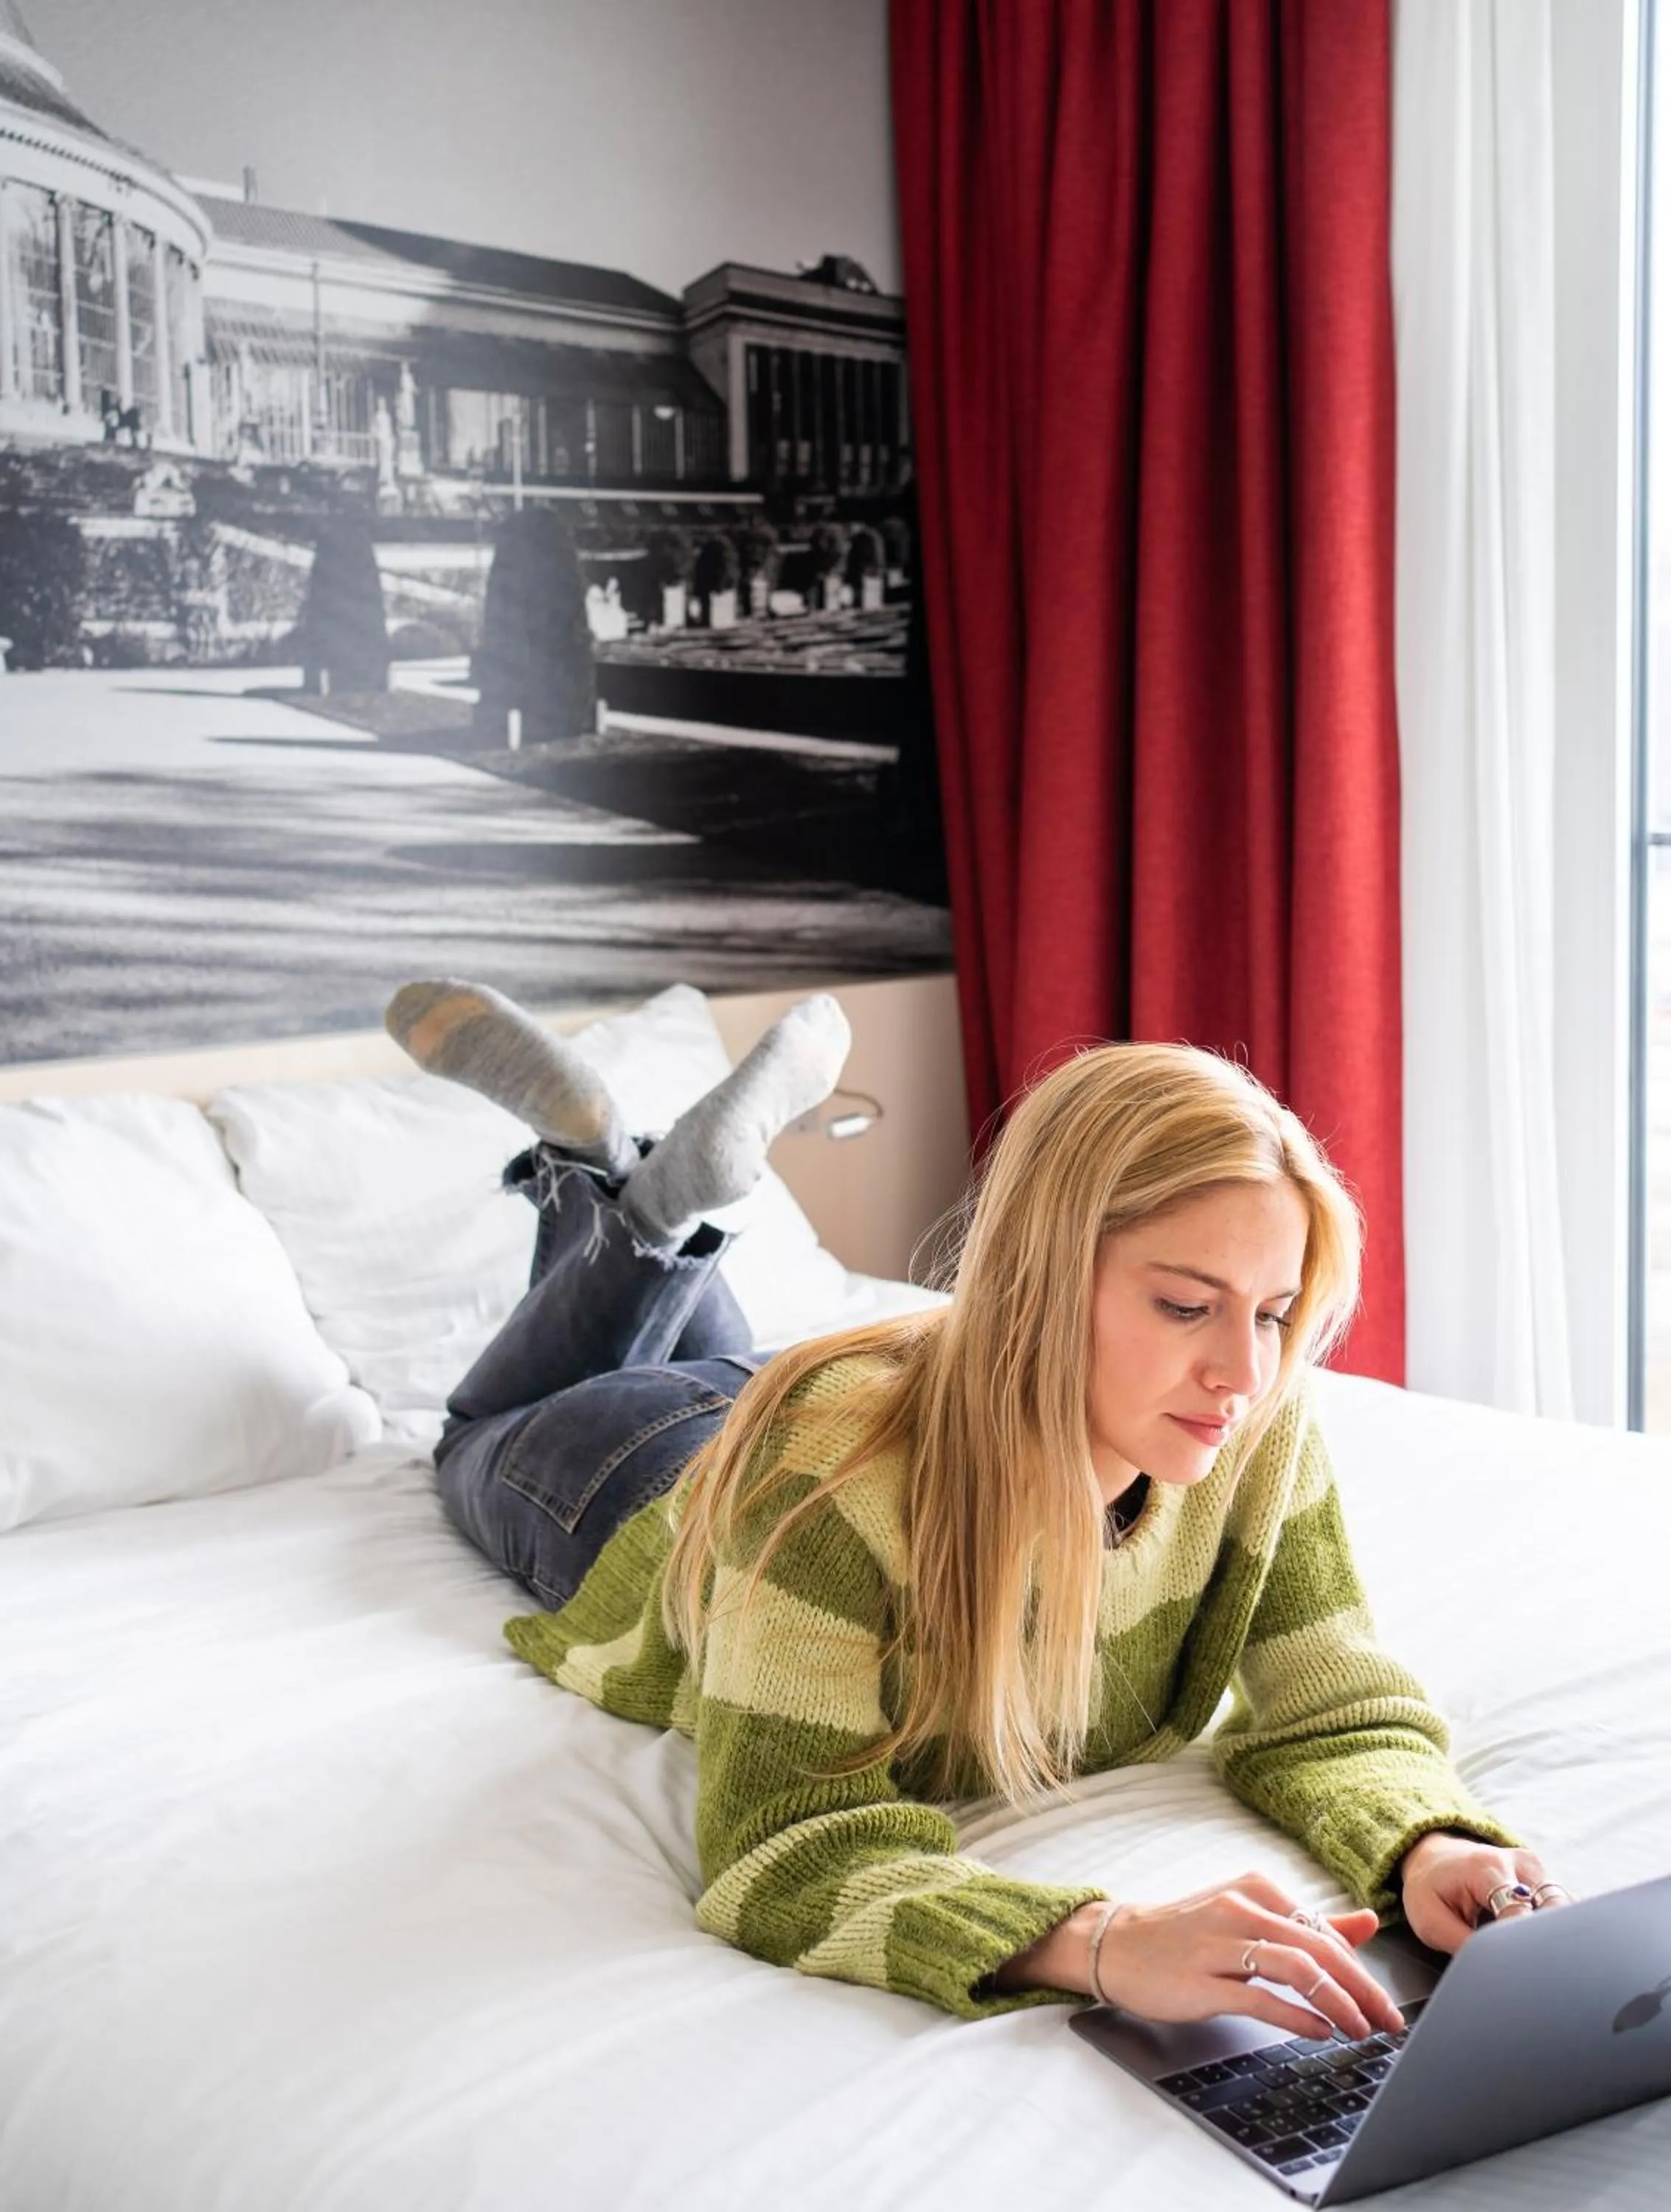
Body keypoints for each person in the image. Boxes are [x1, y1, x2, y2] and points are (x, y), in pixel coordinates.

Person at [386, 978, 1568, 2028]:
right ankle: (614, 1191)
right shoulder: (830, 1482)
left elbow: (1332, 1710)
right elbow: (784, 1844)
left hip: (827, 1398)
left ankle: (631, 1191)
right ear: (1043, 1274)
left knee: (685, 1342)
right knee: (474, 1434)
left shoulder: (1252, 1423)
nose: (1243, 1374)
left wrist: (1429, 1841)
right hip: (636, 1474)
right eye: (1182, 1305)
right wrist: (1099, 1942)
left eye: (1270, 1311)